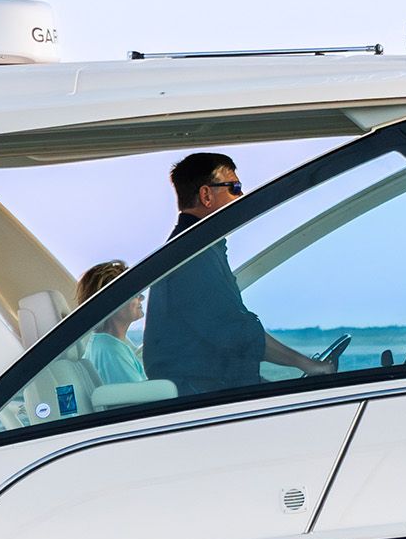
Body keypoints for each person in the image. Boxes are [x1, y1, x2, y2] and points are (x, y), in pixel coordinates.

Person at [142, 151, 346, 397]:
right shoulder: (192, 258)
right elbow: (236, 333)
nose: (242, 196)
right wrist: (309, 365)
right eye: (235, 187)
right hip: (201, 401)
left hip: (209, 391)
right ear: (206, 195)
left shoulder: (197, 250)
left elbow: (224, 344)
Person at [73, 260, 149, 388]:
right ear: (113, 302)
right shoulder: (110, 350)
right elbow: (140, 399)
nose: (141, 298)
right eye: (135, 293)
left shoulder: (106, 343)